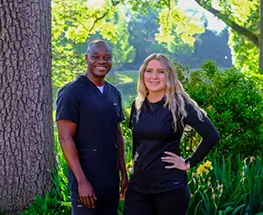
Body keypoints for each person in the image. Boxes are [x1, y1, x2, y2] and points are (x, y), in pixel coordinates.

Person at [124, 54, 220, 215]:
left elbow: (212, 135)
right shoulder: (138, 104)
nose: (154, 76)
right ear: (143, 74)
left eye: (160, 72)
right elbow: (137, 145)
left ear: (168, 75)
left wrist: (188, 162)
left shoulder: (180, 104)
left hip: (169, 188)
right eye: (149, 71)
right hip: (138, 187)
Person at [56, 40, 128, 215]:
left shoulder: (114, 93)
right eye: (96, 57)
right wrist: (81, 181)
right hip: (85, 183)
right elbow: (65, 138)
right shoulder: (72, 92)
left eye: (107, 57)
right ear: (86, 58)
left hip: (110, 181)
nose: (102, 61)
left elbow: (117, 135)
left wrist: (124, 174)